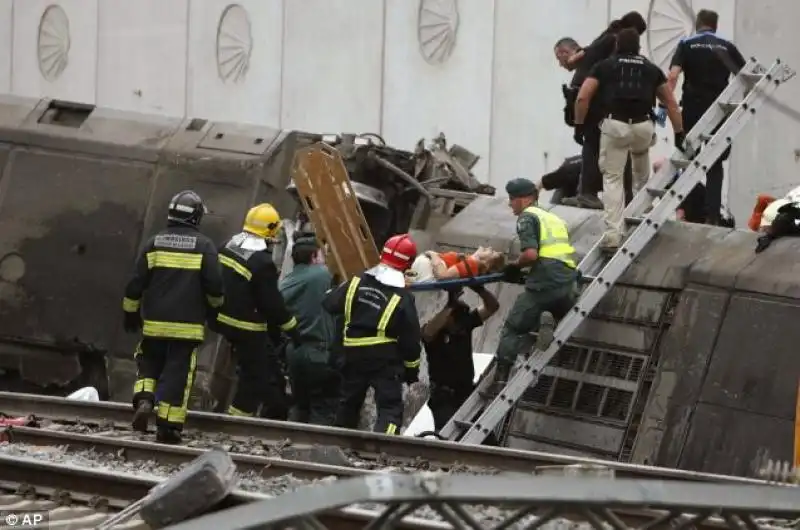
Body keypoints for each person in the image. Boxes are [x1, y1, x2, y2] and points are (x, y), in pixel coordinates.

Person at [122, 190, 224, 444]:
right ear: (196, 218)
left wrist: (130, 312)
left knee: (149, 363)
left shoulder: (154, 242)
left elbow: (136, 283)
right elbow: (215, 287)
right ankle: (167, 427)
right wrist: (214, 310)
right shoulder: (205, 246)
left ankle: (144, 400)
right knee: (178, 374)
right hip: (187, 328)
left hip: (154, 324)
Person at [575, 28, 684, 249]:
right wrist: (679, 133)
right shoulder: (651, 69)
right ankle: (641, 216)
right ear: (638, 47)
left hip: (615, 126)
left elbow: (583, 97)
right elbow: (671, 103)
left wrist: (579, 126)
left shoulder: (605, 66)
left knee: (613, 178)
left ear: (617, 46)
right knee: (641, 172)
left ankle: (614, 234)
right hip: (643, 127)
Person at [324, 234, 422, 435]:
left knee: (348, 403)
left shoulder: (356, 282)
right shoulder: (403, 297)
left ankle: (337, 443)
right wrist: (412, 372)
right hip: (384, 360)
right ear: (409, 264)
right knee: (390, 408)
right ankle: (382, 451)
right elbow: (411, 341)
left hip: (351, 353)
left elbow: (329, 303)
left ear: (381, 255)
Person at [215, 203, 301, 421]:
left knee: (256, 369)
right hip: (246, 326)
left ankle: (268, 409)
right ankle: (236, 423)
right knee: (255, 376)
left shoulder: (227, 245)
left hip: (219, 318)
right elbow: (271, 304)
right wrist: (293, 328)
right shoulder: (262, 262)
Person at [493, 179, 579, 390]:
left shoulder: (527, 218)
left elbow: (531, 254)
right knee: (543, 308)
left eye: (512, 199)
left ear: (525, 199)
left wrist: (514, 266)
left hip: (546, 282)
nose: (510, 203)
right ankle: (546, 320)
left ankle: (500, 380)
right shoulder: (554, 218)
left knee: (513, 328)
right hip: (568, 282)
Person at [555, 12, 647, 211]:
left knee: (595, 144)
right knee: (601, 146)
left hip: (589, 97)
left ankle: (592, 193)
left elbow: (587, 54)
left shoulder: (607, 37)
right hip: (594, 98)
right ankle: (601, 195)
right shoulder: (614, 40)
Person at [667, 9, 747, 226]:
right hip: (719, 110)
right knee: (715, 162)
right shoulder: (726, 46)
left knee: (688, 160)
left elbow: (673, 75)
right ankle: (712, 216)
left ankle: (688, 211)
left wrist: (666, 104)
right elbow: (747, 76)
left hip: (692, 108)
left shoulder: (686, 44)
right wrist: (743, 103)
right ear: (715, 25)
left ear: (698, 23)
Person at [279, 233, 341, 425]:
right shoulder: (322, 275)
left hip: (294, 352)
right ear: (314, 256)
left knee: (301, 405)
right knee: (323, 408)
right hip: (319, 353)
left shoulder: (287, 281)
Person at [422, 286, 498, 431]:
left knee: (486, 438)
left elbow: (492, 307)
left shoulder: (465, 325)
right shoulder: (435, 334)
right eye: (457, 315)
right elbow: (427, 333)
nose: (462, 318)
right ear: (448, 317)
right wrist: (450, 306)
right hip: (444, 398)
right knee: (448, 437)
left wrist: (480, 289)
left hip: (467, 393)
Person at [406, 247, 505, 283]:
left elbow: (442, 275)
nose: (490, 247)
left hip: (423, 271)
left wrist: (432, 254)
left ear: (486, 264)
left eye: (492, 252)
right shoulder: (469, 261)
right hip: (419, 270)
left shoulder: (472, 264)